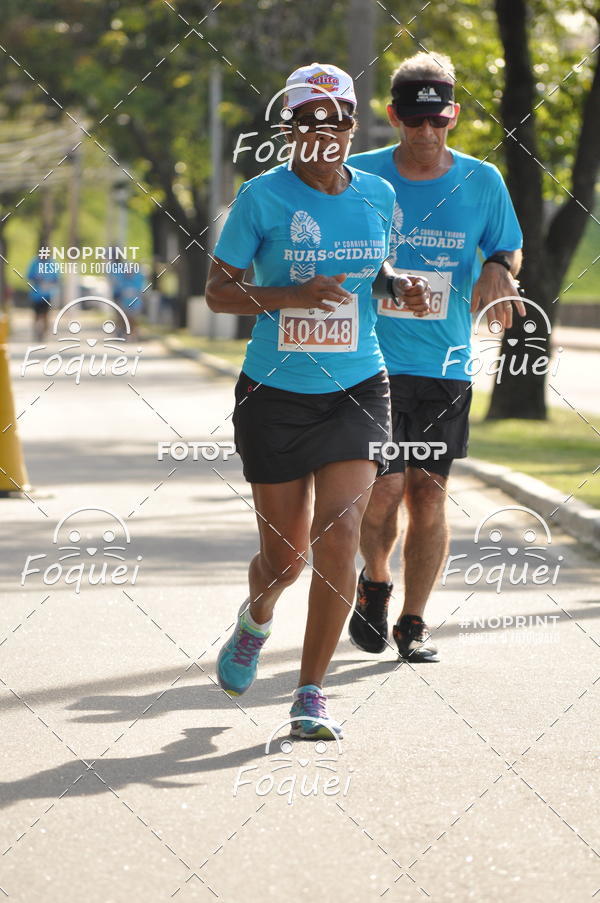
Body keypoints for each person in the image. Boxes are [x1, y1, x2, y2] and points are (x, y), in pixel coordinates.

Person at [206, 63, 430, 739]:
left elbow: (374, 273)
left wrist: (402, 288)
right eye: (307, 121)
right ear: (289, 129)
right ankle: (256, 616)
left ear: (351, 126)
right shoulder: (261, 198)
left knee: (340, 536)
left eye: (335, 122)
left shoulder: (378, 195)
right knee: (286, 559)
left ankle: (310, 693)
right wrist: (290, 296)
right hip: (274, 393)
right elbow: (218, 292)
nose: (322, 134)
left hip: (358, 387)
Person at [347, 52, 524, 662]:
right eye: (415, 122)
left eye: (440, 122)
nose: (427, 134)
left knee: (427, 493)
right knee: (382, 492)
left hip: (445, 364)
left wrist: (499, 268)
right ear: (394, 117)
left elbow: (506, 247)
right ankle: (374, 582)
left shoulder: (483, 181)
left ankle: (413, 623)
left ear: (452, 117)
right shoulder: (359, 177)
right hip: (369, 360)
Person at [27, 250, 61, 342]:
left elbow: (57, 278)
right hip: (36, 295)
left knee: (46, 314)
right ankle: (36, 331)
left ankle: (44, 332)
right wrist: (37, 279)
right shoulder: (34, 263)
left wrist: (49, 282)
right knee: (36, 315)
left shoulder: (52, 263)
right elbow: (29, 276)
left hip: (47, 294)